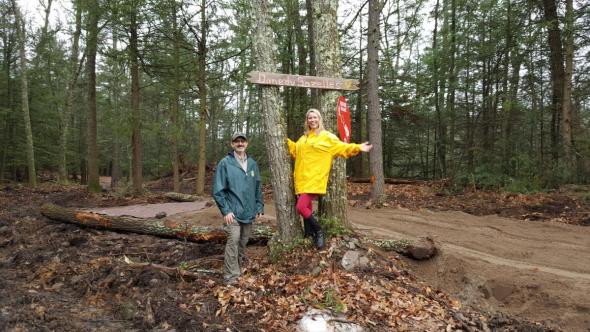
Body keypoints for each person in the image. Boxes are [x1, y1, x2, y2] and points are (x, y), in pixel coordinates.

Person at [288, 108, 372, 249]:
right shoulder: (304, 138)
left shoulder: (326, 136)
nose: (312, 120)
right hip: (301, 179)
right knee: (306, 207)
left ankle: (319, 231)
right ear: (307, 121)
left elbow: (341, 147)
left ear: (320, 119)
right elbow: (295, 150)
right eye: (310, 118)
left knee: (300, 207)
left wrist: (357, 147)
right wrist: (281, 139)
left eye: (315, 117)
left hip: (315, 179)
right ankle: (309, 235)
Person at [213, 133, 264, 285]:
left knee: (243, 241)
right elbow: (218, 190)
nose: (240, 143)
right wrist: (226, 210)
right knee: (233, 240)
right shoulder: (225, 163)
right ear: (232, 144)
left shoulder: (252, 164)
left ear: (247, 144)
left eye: (242, 141)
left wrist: (259, 206)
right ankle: (231, 277)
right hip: (233, 213)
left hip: (249, 212)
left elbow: (258, 187)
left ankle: (239, 269)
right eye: (237, 141)